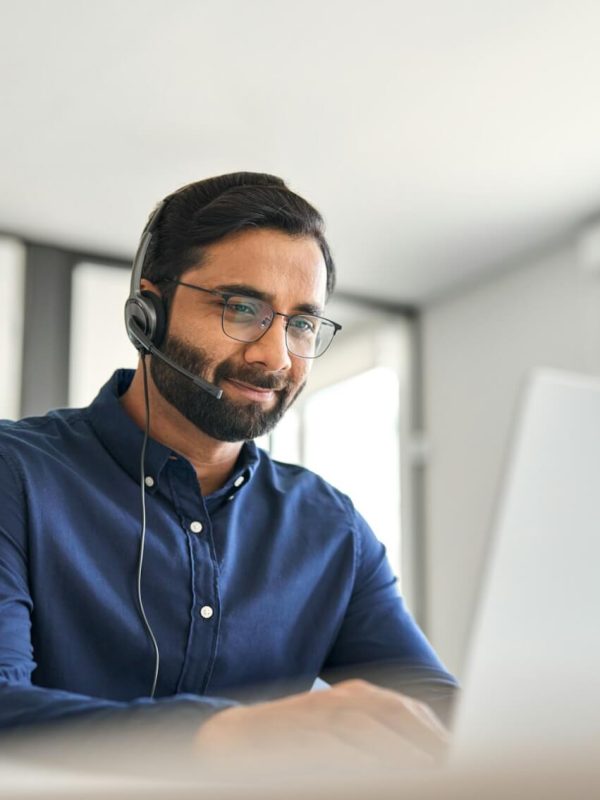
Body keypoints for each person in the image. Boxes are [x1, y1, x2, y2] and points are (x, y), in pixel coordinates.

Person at [0, 172, 456, 773]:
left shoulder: (329, 528)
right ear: (148, 312)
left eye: (301, 324)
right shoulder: (16, 474)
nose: (275, 356)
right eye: (242, 309)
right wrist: (225, 733)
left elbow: (439, 721)